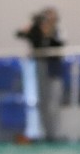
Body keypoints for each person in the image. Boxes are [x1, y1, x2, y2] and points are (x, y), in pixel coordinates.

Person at [16, 8, 64, 141]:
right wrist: (32, 26)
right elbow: (20, 34)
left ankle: (52, 133)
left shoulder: (56, 32)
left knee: (52, 103)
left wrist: (48, 33)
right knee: (41, 102)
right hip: (39, 68)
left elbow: (58, 45)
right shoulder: (36, 31)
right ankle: (41, 132)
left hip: (53, 70)